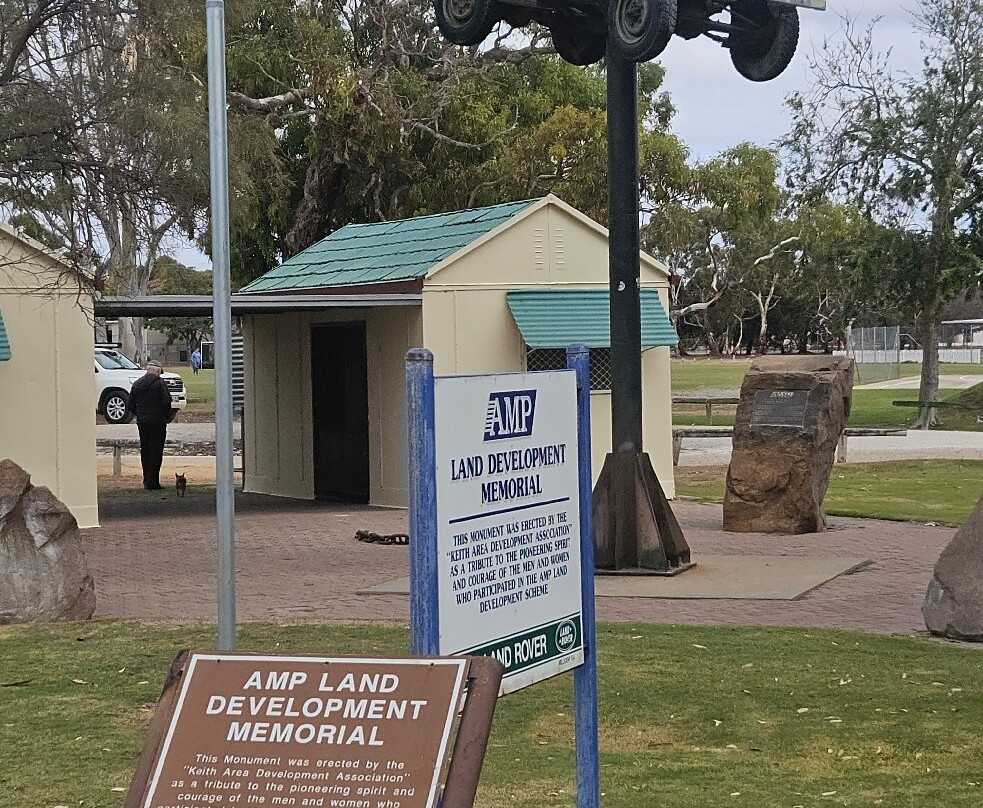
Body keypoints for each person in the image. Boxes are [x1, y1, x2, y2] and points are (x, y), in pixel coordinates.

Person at [128, 360, 173, 490]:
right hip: (158, 421)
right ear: (158, 371)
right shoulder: (160, 383)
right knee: (156, 451)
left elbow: (130, 405)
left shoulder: (137, 384)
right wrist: (164, 415)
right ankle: (153, 481)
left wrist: (140, 414)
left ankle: (146, 480)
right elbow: (166, 402)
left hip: (142, 422)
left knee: (145, 450)